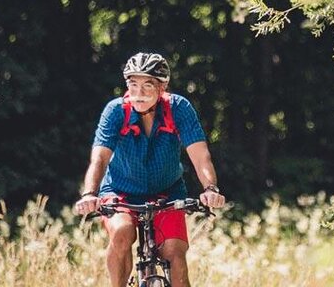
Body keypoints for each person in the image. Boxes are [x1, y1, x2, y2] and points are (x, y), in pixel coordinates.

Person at [72, 52, 228, 287]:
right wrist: (89, 194)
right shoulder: (116, 111)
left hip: (168, 191)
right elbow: (100, 159)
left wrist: (210, 188)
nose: (139, 93)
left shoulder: (178, 109)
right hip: (119, 191)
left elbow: (200, 156)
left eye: (147, 85)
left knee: (174, 252)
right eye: (133, 85)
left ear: (163, 86)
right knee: (122, 232)